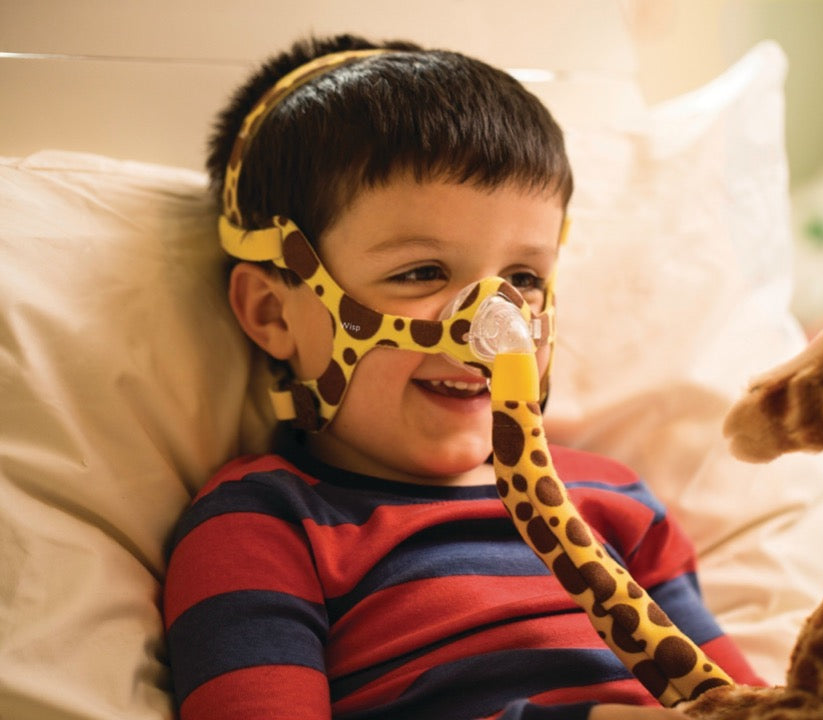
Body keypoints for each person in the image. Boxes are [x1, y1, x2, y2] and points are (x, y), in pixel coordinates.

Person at [162, 33, 763, 720]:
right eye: (421, 273)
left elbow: (748, 705)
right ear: (272, 312)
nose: (493, 327)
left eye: (524, 279)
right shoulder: (261, 528)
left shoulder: (614, 501)